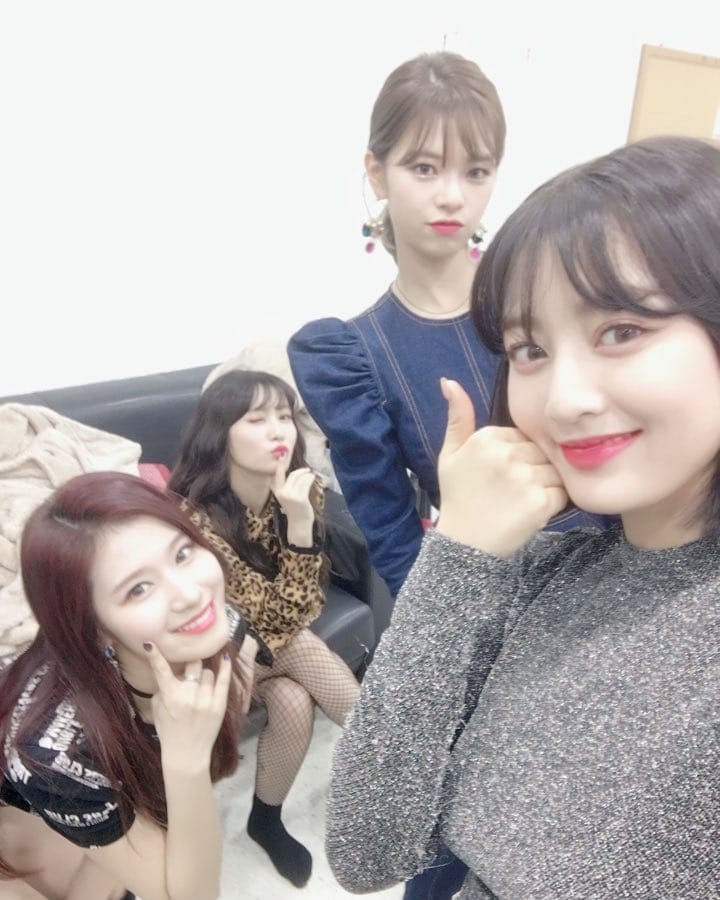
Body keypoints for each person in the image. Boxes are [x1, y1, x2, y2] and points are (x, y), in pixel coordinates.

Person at [324, 135, 720, 899]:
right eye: (529, 350)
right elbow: (366, 850)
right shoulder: (536, 576)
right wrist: (457, 557)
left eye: (621, 331)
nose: (565, 400)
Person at [288, 50, 601, 605]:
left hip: (627, 572)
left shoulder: (549, 296)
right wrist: (448, 632)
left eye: (476, 171)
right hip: (500, 610)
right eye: (424, 168)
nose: (453, 196)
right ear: (377, 173)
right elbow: (396, 545)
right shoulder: (353, 359)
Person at [0, 471, 253, 900]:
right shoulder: (54, 755)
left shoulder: (216, 626)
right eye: (138, 589)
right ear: (94, 627)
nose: (191, 594)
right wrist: (186, 763)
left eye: (183, 553)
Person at [168, 369, 360, 889]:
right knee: (303, 652)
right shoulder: (194, 519)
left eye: (285, 416)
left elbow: (307, 601)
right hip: (212, 653)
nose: (279, 431)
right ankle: (399, 762)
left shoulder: (300, 490)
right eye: (257, 419)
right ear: (219, 433)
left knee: (295, 702)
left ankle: (265, 820)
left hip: (270, 645)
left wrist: (298, 520)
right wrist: (298, 529)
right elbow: (265, 617)